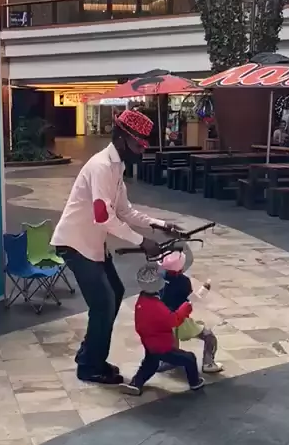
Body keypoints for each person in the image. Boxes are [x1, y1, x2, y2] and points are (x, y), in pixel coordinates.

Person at [52, 109, 182, 386]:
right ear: (122, 139)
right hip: (74, 243)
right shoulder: (101, 166)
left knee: (115, 293)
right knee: (104, 303)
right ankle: (90, 366)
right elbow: (103, 217)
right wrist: (141, 241)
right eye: (138, 146)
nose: (141, 152)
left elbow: (125, 211)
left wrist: (159, 224)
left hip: (91, 244)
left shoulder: (117, 167)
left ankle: (91, 355)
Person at [129, 262, 204, 396]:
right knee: (189, 358)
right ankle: (195, 382)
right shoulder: (157, 307)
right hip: (162, 346)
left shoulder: (142, 300)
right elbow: (173, 320)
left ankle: (135, 384)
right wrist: (186, 307)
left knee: (150, 364)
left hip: (149, 342)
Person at [159, 249, 223, 375]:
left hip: (162, 319)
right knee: (209, 336)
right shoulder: (183, 281)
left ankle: (168, 361)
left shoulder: (160, 278)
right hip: (179, 319)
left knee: (171, 340)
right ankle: (208, 364)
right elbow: (192, 300)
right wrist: (204, 289)